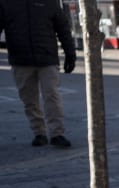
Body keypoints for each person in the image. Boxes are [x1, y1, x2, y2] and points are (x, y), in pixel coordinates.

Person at [0, 0, 77, 148]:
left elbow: (62, 27)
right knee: (29, 99)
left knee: (51, 95)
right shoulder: (6, 3)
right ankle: (39, 132)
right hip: (20, 60)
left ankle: (57, 134)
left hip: (47, 58)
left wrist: (70, 53)